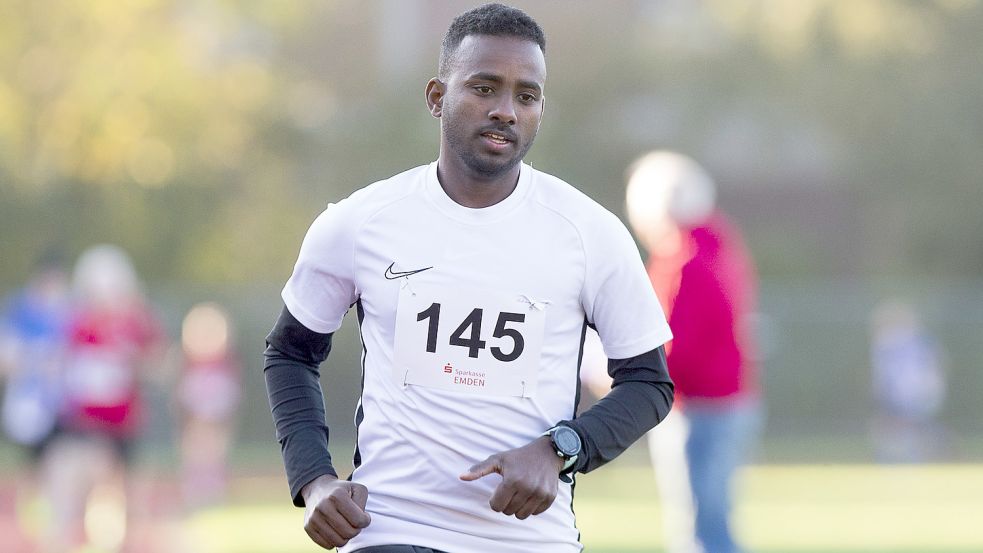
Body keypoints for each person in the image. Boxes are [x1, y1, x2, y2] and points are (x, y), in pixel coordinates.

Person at [263, 4, 675, 552]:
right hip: (391, 529)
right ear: (437, 97)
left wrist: (560, 448)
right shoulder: (359, 223)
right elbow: (290, 354)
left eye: (526, 96)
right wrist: (314, 481)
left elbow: (649, 383)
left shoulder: (590, 232)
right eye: (484, 88)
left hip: (530, 540)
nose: (505, 110)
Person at [625, 151, 762, 553]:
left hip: (699, 406)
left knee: (703, 532)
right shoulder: (721, 245)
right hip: (725, 401)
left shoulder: (685, 261)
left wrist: (630, 376)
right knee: (711, 522)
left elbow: (676, 346)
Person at [44, 244, 164, 552]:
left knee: (120, 498)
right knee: (78, 485)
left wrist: (136, 361)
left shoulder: (136, 322)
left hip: (123, 424)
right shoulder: (77, 322)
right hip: (85, 424)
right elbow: (60, 366)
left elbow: (158, 363)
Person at [176, 301, 242, 508]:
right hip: (196, 418)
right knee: (196, 451)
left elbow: (231, 393)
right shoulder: (188, 364)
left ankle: (214, 489)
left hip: (215, 416)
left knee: (215, 450)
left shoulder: (225, 365)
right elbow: (182, 394)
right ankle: (195, 488)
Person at [868, 299, 947, 463]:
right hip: (921, 393)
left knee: (897, 428)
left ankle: (901, 461)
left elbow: (886, 374)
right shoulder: (922, 339)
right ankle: (910, 459)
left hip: (904, 394)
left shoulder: (887, 342)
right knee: (908, 429)